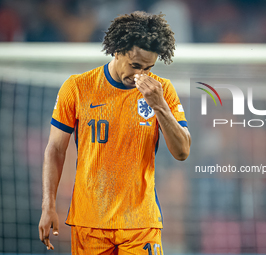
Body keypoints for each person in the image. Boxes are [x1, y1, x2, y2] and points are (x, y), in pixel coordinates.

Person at [38, 11, 191, 254]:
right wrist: (49, 205)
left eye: (148, 68)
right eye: (135, 66)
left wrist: (159, 105)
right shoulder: (78, 87)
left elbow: (182, 152)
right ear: (116, 50)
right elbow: (55, 149)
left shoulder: (162, 92)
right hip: (90, 223)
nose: (141, 75)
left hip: (141, 223)